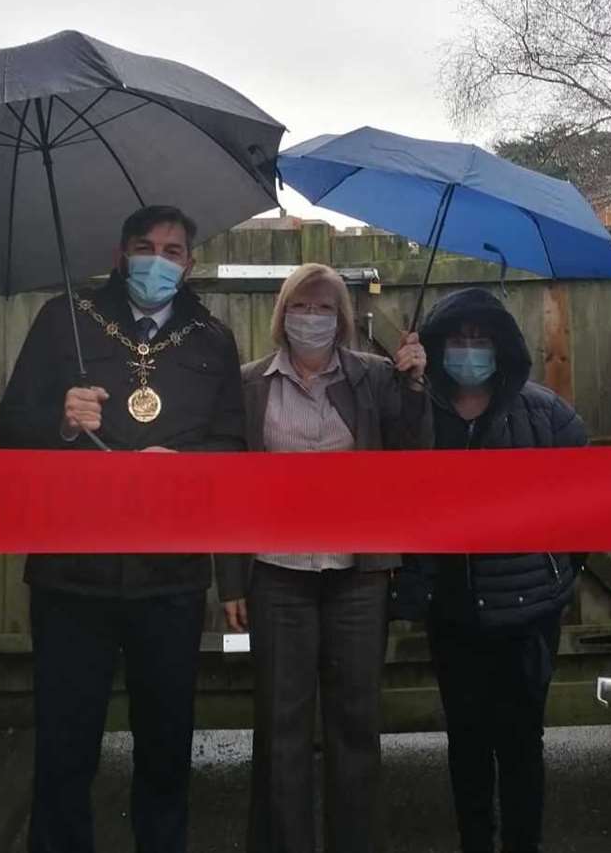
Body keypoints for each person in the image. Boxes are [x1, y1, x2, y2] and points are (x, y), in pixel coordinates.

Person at [0, 204, 246, 853]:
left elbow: (235, 451)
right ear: (119, 253)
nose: (156, 261)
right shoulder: (65, 323)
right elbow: (6, 432)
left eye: (171, 250)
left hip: (170, 579)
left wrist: (184, 466)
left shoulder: (213, 341)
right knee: (64, 749)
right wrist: (60, 419)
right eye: (144, 247)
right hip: (72, 576)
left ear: (188, 263)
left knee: (166, 752)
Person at [216, 262, 432, 853]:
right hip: (275, 575)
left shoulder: (375, 377)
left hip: (357, 576)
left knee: (356, 723)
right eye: (301, 306)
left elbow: (413, 455)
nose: (312, 318)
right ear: (283, 314)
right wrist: (230, 581)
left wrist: (414, 383)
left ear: (341, 320)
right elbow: (228, 487)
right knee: (280, 727)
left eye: (324, 308)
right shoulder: (249, 383)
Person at [416, 287, 588, 853]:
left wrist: (553, 577)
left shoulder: (548, 415)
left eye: (480, 339)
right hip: (452, 611)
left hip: (527, 613)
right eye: (457, 340)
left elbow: (585, 512)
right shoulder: (417, 412)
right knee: (465, 743)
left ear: (502, 347)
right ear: (438, 347)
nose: (468, 350)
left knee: (520, 745)